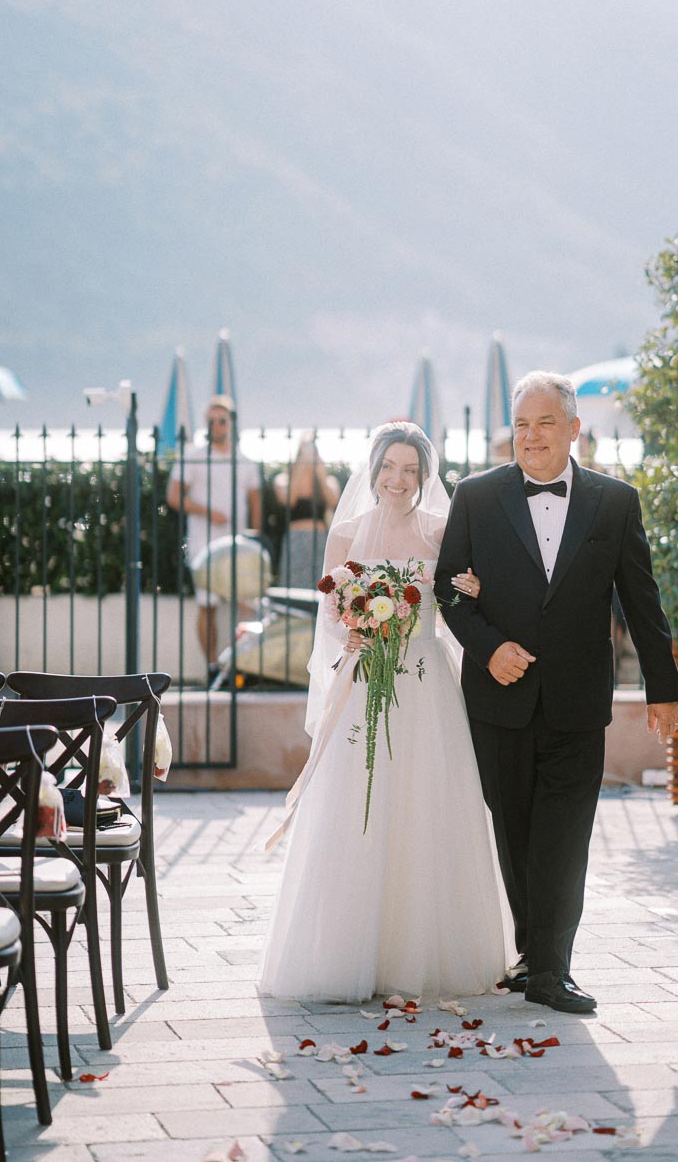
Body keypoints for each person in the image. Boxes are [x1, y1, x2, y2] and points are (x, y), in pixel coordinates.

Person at [435, 371, 678, 1015]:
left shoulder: (616, 502)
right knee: (514, 828)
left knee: (564, 835)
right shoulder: (475, 496)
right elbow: (446, 590)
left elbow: (641, 599)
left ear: (574, 429)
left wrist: (664, 686)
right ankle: (532, 957)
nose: (532, 436)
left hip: (578, 698)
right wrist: (488, 647)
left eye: (546, 423)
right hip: (499, 699)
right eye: (521, 424)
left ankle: (552, 967)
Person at [260, 422, 511, 1001]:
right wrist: (352, 631)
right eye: (390, 467)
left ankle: (422, 953)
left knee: (427, 808)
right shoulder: (346, 533)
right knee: (359, 810)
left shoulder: (442, 531)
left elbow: (451, 607)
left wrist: (469, 589)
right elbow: (329, 610)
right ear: (372, 470)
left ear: (424, 477)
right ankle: (347, 953)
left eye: (411, 470)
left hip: (426, 688)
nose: (399, 480)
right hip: (367, 677)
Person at [166, 395, 263, 678]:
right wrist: (207, 512)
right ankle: (212, 667)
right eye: (211, 421)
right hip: (202, 543)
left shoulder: (244, 461)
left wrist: (254, 539)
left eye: (221, 420)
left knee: (248, 601)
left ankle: (247, 666)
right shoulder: (193, 456)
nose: (216, 426)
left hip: (239, 545)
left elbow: (256, 501)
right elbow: (173, 497)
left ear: (231, 422)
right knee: (207, 605)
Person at [273, 432, 341, 589]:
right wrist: (301, 467)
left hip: (319, 540)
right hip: (295, 540)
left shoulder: (327, 481)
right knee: (294, 585)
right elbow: (289, 500)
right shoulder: (284, 479)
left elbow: (333, 501)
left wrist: (319, 470)